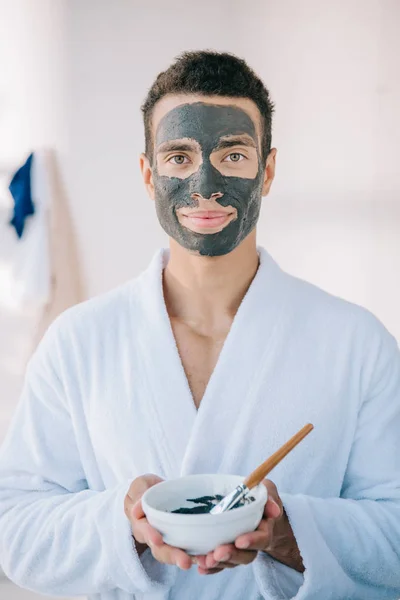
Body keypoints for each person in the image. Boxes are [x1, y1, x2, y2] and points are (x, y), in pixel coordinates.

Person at [0, 50, 399, 600]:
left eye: (233, 155)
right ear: (147, 175)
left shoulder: (358, 343)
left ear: (269, 170)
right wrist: (122, 521)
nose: (205, 185)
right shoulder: (78, 341)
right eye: (179, 157)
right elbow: (15, 527)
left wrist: (289, 534)